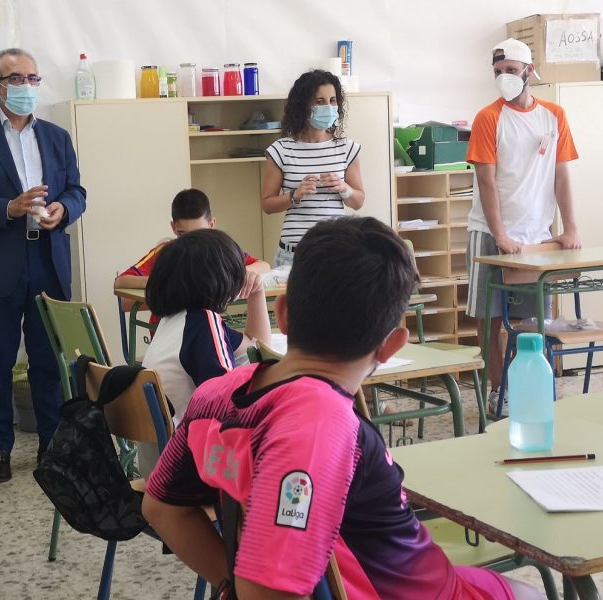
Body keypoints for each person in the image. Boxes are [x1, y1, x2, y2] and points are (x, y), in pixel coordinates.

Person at [143, 216, 544, 599]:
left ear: (283, 314)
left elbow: (161, 507)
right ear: (391, 345)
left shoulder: (213, 397)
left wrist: (228, 583)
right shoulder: (319, 427)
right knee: (529, 591)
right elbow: (267, 590)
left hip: (391, 580)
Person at [0, 48, 86, 483]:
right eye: (16, 78)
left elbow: (77, 191)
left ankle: (50, 445)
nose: (27, 86)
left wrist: (64, 208)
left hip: (47, 260)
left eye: (32, 78)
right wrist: (9, 208)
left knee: (48, 360)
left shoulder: (57, 137)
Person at [466, 38, 580, 418]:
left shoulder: (553, 115)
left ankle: (526, 385)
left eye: (511, 71)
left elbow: (561, 176)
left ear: (529, 71)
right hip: (489, 232)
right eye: (497, 72)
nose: (504, 78)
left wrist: (570, 228)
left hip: (536, 237)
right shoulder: (488, 118)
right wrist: (500, 234)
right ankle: (498, 391)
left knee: (532, 322)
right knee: (489, 318)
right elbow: (486, 182)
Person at [137, 228, 271, 477]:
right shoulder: (203, 324)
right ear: (218, 279)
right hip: (186, 470)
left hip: (159, 467)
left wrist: (257, 292)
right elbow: (229, 406)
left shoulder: (176, 322)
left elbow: (255, 345)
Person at [260, 69, 365, 267]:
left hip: (336, 251)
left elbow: (358, 201)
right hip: (293, 254)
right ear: (303, 106)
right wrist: (294, 195)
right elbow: (267, 205)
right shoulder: (281, 150)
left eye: (332, 100)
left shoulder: (347, 148)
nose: (329, 107)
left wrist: (343, 188)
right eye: (320, 101)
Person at [113, 188, 269, 304]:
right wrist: (164, 282)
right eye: (184, 235)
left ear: (211, 224)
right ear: (173, 227)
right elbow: (121, 281)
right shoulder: (166, 252)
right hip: (169, 331)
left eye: (199, 234)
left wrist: (245, 272)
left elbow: (264, 265)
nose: (192, 242)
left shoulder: (219, 251)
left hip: (207, 325)